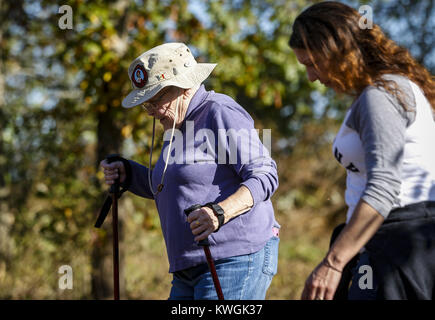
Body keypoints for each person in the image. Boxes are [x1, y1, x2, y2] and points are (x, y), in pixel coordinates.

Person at [100, 42, 280, 300]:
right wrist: (128, 173)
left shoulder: (219, 111)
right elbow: (169, 186)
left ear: (182, 87)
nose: (151, 111)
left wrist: (220, 212)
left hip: (234, 259)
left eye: (155, 99)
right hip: (188, 267)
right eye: (146, 103)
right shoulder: (175, 127)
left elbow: (265, 174)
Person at [288, 2, 435, 300]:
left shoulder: (381, 96)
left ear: (337, 52)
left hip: (396, 244)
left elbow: (384, 186)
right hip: (388, 241)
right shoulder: (388, 91)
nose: (311, 77)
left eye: (312, 64)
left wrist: (333, 262)